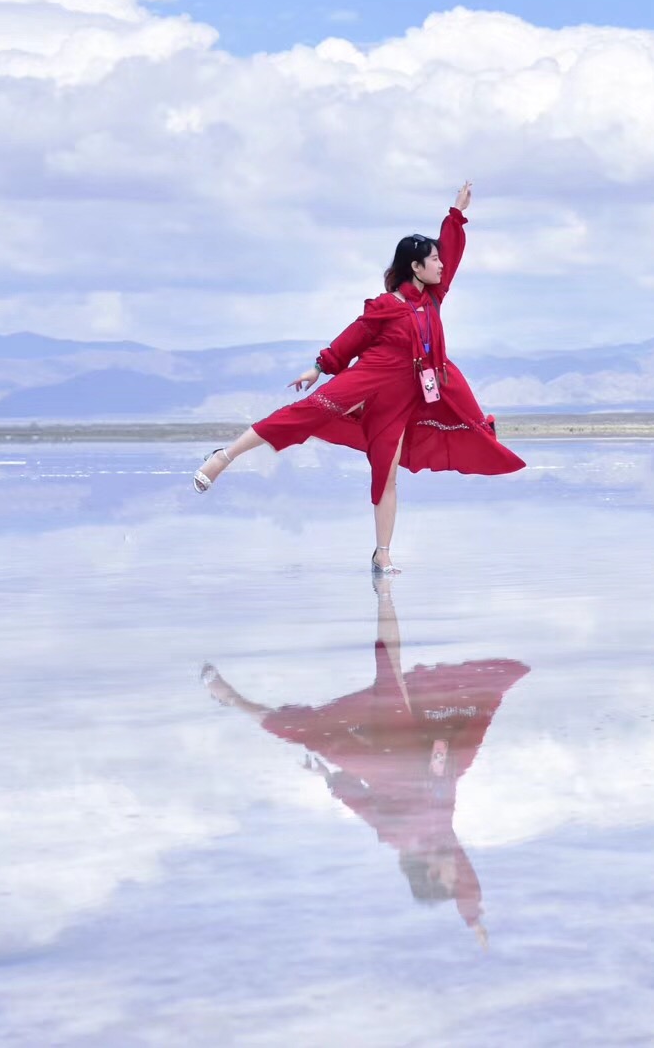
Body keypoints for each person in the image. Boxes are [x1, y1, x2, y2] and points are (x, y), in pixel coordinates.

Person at [191, 181, 524, 573]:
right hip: (366, 381)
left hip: (404, 400)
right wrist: (319, 366)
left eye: (438, 259)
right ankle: (223, 457)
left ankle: (382, 554)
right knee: (304, 413)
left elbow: (452, 251)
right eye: (432, 260)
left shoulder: (434, 298)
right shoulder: (386, 306)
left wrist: (456, 214)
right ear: (415, 268)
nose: (440, 264)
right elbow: (355, 335)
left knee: (386, 472)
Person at [203, 578, 529, 948]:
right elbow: (466, 882)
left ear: (433, 874)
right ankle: (385, 596)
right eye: (455, 881)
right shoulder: (445, 847)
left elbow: (360, 804)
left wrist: (328, 775)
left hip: (386, 759)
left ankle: (232, 699)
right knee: (449, 685)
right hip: (434, 752)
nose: (457, 876)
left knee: (311, 725)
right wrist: (472, 918)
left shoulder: (401, 839)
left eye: (449, 880)